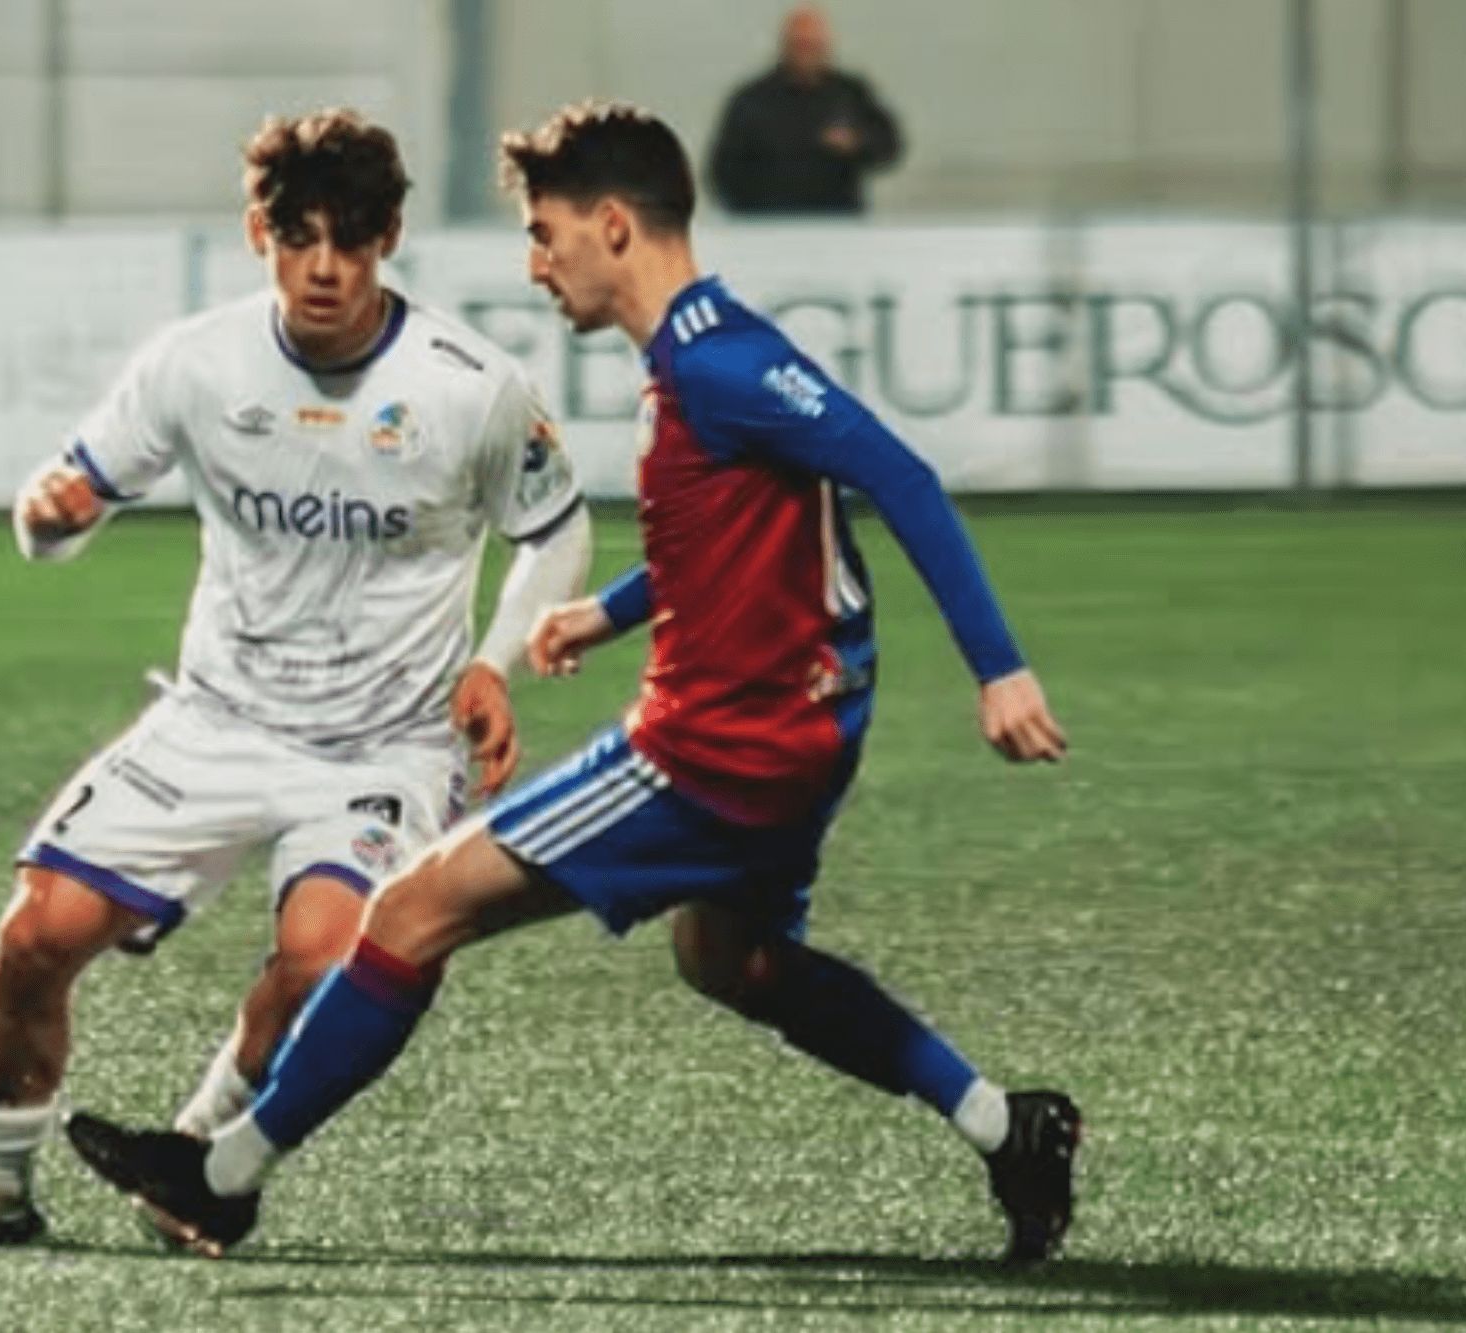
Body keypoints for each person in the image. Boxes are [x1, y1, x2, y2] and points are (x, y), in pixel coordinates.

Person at [65, 101, 1080, 1266]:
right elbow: (740, 529)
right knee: (733, 962)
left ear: (610, 225)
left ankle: (222, 1176)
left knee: (407, 911)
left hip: (710, 752)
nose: (533, 261)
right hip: (800, 727)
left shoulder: (720, 363)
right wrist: (609, 610)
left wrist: (999, 670)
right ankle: (1010, 1128)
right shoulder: (700, 354)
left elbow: (898, 477)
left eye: (544, 233)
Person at [0, 107, 592, 1248]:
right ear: (257, 231)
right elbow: (56, 510)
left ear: (389, 234)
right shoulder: (194, 363)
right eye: (298, 236)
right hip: (216, 719)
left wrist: (493, 663)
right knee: (34, 931)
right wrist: (47, 518)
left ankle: (194, 1158)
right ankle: (0, 1193)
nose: (323, 268)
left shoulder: (469, 385)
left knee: (326, 960)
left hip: (384, 746)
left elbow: (554, 531)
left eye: (350, 240)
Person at [709, 4, 903, 214]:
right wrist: (747, 215)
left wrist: (856, 142)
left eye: (813, 46)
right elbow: (721, 170)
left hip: (839, 223)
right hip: (767, 225)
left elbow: (889, 146)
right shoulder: (751, 99)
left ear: (826, 46)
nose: (806, 53)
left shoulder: (850, 92)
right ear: (784, 46)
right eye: (799, 45)